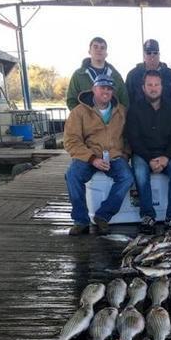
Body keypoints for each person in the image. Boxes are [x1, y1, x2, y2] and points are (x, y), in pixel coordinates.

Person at [64, 74, 134, 236]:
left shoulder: (121, 111)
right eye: (102, 87)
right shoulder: (79, 112)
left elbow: (130, 136)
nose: (106, 91)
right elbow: (71, 140)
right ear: (94, 89)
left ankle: (103, 215)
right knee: (72, 175)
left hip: (115, 156)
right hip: (88, 156)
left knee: (127, 178)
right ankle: (81, 220)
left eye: (109, 88)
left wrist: (125, 155)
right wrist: (92, 159)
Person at [126, 70, 171, 233]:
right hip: (143, 154)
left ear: (162, 87)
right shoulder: (134, 110)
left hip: (166, 153)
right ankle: (147, 215)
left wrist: (166, 157)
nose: (153, 88)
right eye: (149, 85)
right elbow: (134, 139)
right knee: (139, 172)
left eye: (156, 84)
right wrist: (150, 159)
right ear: (143, 88)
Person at [66, 36, 128, 110]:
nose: (99, 50)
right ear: (89, 51)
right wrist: (81, 117)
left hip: (111, 120)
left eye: (102, 48)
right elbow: (71, 100)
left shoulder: (115, 76)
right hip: (86, 120)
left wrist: (118, 118)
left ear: (106, 53)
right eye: (95, 47)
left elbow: (124, 101)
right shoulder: (79, 75)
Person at [126, 39, 171, 107]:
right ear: (144, 55)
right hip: (139, 116)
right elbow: (127, 100)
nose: (152, 56)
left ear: (159, 54)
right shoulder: (133, 75)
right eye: (149, 53)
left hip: (167, 116)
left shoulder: (170, 74)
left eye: (155, 53)